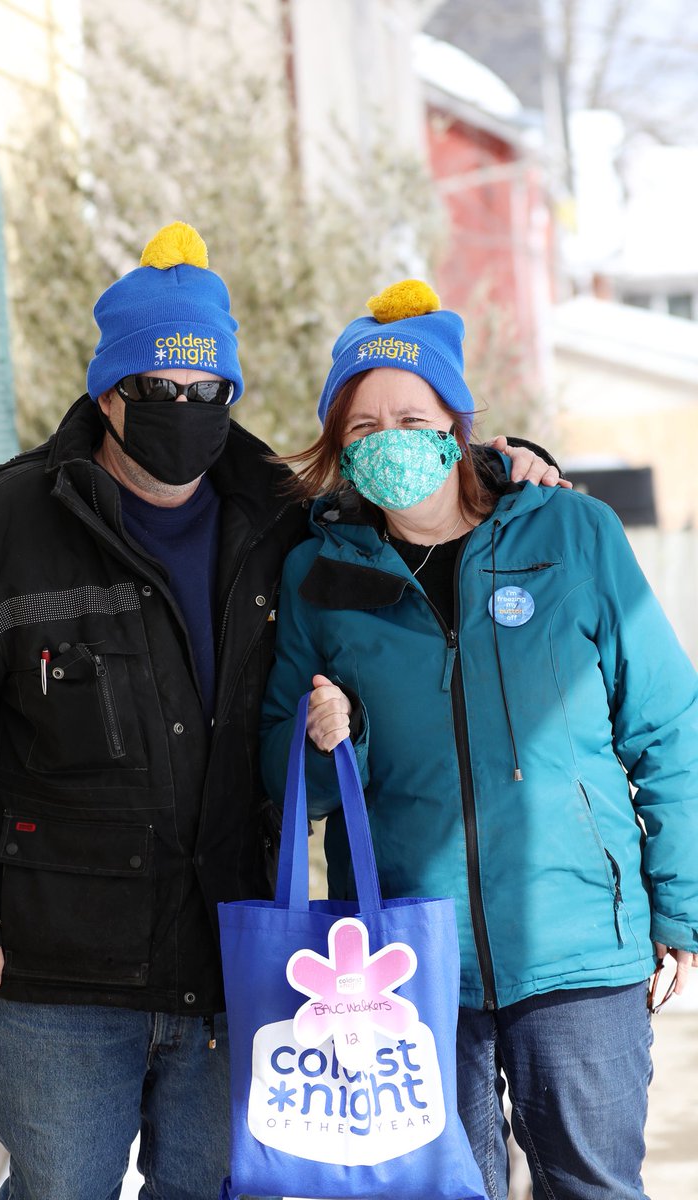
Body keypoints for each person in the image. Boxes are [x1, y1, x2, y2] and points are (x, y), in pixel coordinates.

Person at [0, 224, 561, 1200]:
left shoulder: (284, 511)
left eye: (207, 391)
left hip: (231, 957)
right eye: (160, 391)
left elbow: (418, 508)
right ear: (108, 394)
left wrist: (506, 467)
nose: (185, 410)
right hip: (59, 971)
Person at [259, 278, 698, 1200]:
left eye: (409, 417)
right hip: (408, 963)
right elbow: (282, 773)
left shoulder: (573, 533)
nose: (388, 443)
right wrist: (340, 739)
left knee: (594, 1188)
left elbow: (667, 726)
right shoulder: (317, 572)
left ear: (457, 421)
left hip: (577, 948)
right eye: (362, 430)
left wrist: (682, 908)